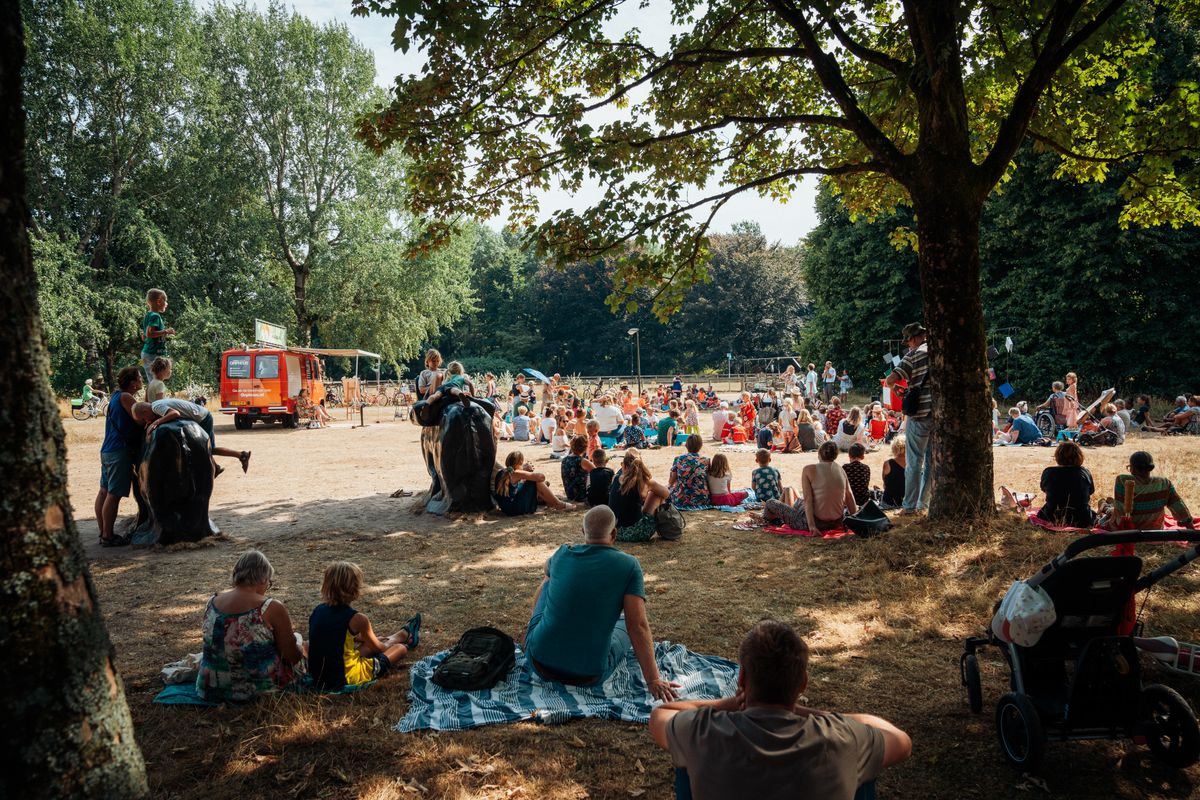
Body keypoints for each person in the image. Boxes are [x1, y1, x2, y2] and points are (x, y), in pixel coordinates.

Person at [650, 619, 911, 800]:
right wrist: (805, 712)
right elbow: (901, 741)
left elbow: (661, 714)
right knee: (862, 770)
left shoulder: (702, 731)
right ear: (803, 683)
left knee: (686, 759)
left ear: (742, 679)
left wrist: (728, 703)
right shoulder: (842, 738)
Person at [523, 506, 679, 699]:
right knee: (625, 623)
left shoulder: (562, 553)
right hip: (589, 674)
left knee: (548, 580)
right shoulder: (629, 565)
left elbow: (546, 569)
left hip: (539, 662)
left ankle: (536, 629)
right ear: (614, 534)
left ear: (583, 532)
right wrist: (653, 680)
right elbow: (637, 626)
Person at [196, 550, 304, 702]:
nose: (267, 587)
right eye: (269, 582)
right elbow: (291, 656)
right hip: (259, 691)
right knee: (298, 640)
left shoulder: (212, 602)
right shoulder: (270, 607)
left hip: (209, 689)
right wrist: (301, 647)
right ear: (263, 578)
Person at [308, 561, 421, 690]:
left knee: (368, 645)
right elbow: (380, 648)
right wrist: (386, 644)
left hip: (318, 675)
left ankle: (402, 635)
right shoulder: (358, 619)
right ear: (355, 588)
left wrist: (372, 640)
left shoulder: (318, 610)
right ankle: (404, 639)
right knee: (400, 649)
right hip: (344, 677)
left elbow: (335, 635)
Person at [885, 322, 932, 514]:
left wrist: (894, 387)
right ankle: (923, 503)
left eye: (909, 341)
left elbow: (890, 379)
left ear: (913, 339)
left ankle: (910, 506)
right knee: (931, 463)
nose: (909, 345)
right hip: (937, 413)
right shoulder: (939, 351)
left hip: (919, 413)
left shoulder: (913, 355)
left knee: (914, 462)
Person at [95, 366, 145, 547]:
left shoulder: (115, 396)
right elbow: (139, 419)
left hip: (108, 450)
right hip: (120, 451)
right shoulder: (126, 397)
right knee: (114, 494)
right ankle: (108, 536)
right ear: (132, 383)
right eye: (139, 378)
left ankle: (103, 531)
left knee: (104, 491)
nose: (142, 380)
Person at [136, 398, 251, 474]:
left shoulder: (156, 407)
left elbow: (175, 413)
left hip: (203, 417)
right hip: (199, 415)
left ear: (145, 411)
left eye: (144, 418)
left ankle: (241, 455)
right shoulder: (156, 405)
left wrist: (156, 422)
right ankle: (216, 467)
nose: (146, 421)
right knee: (205, 448)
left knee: (210, 449)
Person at [762, 442, 856, 531]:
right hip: (837, 522)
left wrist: (812, 526)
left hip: (814, 523)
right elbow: (849, 497)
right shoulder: (840, 469)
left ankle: (765, 520)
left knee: (770, 503)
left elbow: (808, 499)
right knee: (796, 497)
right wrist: (855, 520)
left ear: (819, 454)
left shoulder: (809, 469)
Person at [1102, 451, 1194, 531]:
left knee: (1108, 510)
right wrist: (1191, 530)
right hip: (1155, 530)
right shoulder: (1164, 483)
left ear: (1132, 468)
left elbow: (1120, 512)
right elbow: (1179, 506)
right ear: (1151, 467)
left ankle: (1105, 506)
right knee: (1111, 507)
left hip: (1128, 530)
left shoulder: (1123, 481)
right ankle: (1106, 506)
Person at [609, 451, 670, 542]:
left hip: (615, 532)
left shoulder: (615, 478)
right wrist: (648, 490)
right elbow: (666, 494)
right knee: (656, 495)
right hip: (637, 533)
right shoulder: (645, 482)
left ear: (624, 466)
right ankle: (667, 527)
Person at [1036, 441, 1096, 528]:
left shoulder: (1049, 472)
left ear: (1058, 456)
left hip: (1052, 516)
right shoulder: (1085, 472)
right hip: (1082, 518)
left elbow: (1044, 488)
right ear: (1079, 456)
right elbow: (1091, 491)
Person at [495, 451, 574, 514]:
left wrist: (524, 474)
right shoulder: (516, 473)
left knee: (533, 482)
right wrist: (525, 471)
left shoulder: (501, 472)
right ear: (519, 463)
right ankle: (558, 504)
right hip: (515, 509)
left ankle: (550, 502)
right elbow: (541, 477)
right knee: (535, 481)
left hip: (506, 509)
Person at [140, 288, 175, 384]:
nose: (167, 303)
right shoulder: (155, 316)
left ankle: (153, 394)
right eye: (165, 300)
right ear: (159, 301)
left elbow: (145, 335)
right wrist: (166, 331)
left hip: (148, 354)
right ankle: (156, 394)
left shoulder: (149, 315)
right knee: (156, 381)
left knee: (153, 381)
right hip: (152, 354)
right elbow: (149, 333)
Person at [668, 434, 711, 509]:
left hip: (681, 499)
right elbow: (709, 480)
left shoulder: (679, 459)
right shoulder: (706, 461)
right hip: (702, 498)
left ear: (686, 445)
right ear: (700, 446)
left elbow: (672, 480)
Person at [560, 435, 594, 502]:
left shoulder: (564, 460)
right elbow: (597, 472)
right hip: (581, 496)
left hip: (570, 494)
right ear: (585, 447)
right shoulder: (582, 461)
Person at [880, 438, 907, 509]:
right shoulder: (913, 465)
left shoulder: (888, 463)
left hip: (889, 502)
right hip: (907, 503)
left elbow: (885, 482)